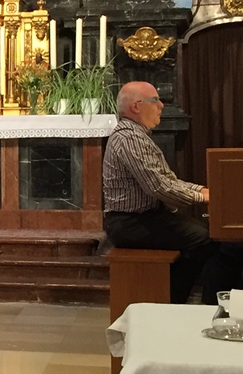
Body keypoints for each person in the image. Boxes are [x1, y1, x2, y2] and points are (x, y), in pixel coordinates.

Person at [103, 82, 243, 304]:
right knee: (206, 240)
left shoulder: (136, 135)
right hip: (130, 223)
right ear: (136, 106)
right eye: (155, 100)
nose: (161, 106)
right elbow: (159, 187)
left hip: (143, 218)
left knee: (216, 236)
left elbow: (168, 181)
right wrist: (204, 197)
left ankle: (199, 301)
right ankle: (171, 301)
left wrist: (205, 190)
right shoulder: (129, 138)